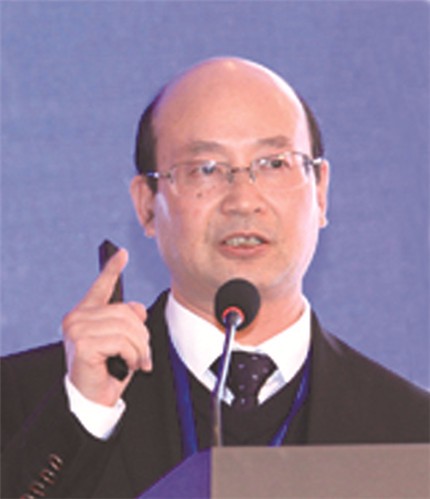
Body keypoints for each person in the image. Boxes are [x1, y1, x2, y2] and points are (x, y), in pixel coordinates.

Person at [1, 57, 428, 499]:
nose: (243, 200)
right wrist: (86, 414)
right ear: (146, 205)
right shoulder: (21, 401)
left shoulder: (412, 431)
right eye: (205, 168)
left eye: (275, 163)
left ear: (320, 191)